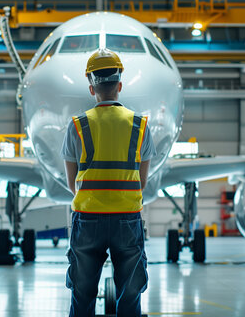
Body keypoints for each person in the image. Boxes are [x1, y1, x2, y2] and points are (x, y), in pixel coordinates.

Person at [61, 48, 156, 317]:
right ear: (120, 86)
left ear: (92, 88)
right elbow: (143, 180)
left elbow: (72, 182)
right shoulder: (139, 124)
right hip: (127, 219)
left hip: (88, 219)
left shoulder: (77, 125)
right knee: (130, 293)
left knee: (82, 292)